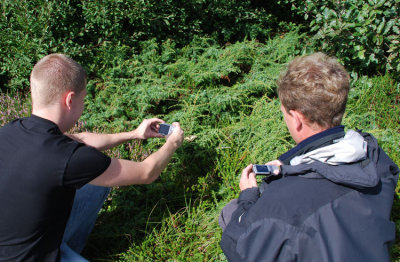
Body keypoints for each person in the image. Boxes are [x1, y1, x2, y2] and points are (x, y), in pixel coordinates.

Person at [0, 54, 184, 262]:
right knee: (96, 176)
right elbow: (147, 172)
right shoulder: (69, 158)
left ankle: (68, 247)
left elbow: (80, 138)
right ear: (69, 100)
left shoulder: (12, 129)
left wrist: (134, 134)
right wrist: (173, 142)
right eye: (83, 98)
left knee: (95, 184)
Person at [219, 53, 399, 261]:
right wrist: (290, 169)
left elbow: (238, 247)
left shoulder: (280, 206)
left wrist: (248, 197)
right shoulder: (375, 157)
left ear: (296, 118)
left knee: (230, 212)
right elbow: (329, 175)